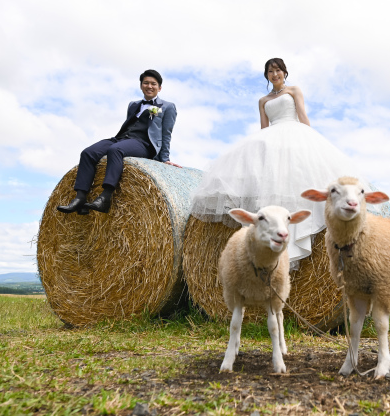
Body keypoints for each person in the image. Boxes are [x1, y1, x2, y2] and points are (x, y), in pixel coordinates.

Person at [191, 58, 366, 265]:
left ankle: (301, 233)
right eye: (270, 71)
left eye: (278, 70)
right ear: (266, 76)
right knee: (270, 185)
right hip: (272, 140)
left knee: (297, 182)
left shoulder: (294, 91)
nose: (275, 74)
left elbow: (302, 116)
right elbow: (264, 128)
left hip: (294, 134)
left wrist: (310, 142)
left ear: (285, 72)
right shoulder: (263, 101)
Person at [57, 69, 180, 215]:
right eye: (146, 83)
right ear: (141, 86)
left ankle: (105, 197)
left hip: (145, 144)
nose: (149, 86)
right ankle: (80, 198)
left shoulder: (168, 106)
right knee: (88, 153)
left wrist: (164, 158)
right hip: (122, 139)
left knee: (115, 150)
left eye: (153, 84)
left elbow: (166, 133)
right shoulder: (133, 105)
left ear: (159, 88)